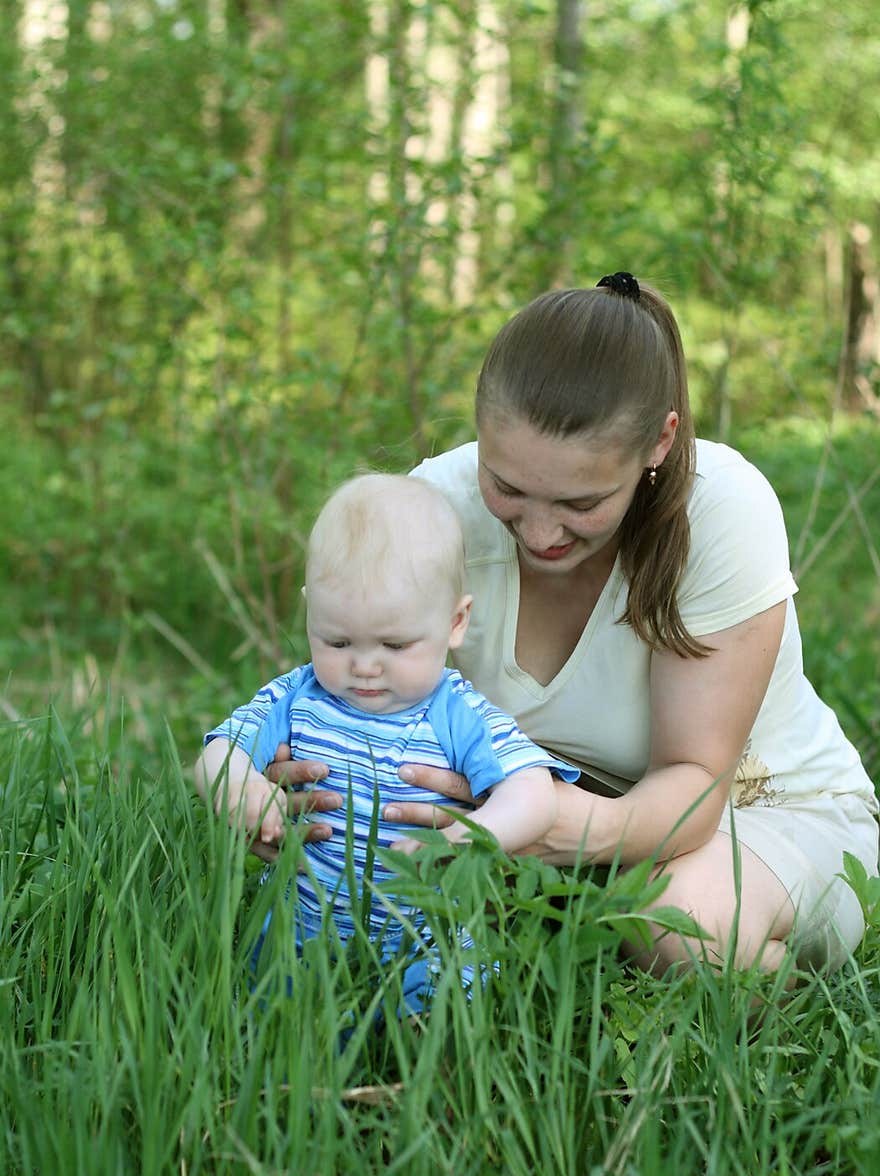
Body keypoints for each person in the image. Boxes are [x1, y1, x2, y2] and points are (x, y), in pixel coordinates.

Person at [266, 273, 879, 981]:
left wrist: (540, 822)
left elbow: (694, 787)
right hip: (531, 814)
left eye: (580, 500)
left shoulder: (721, 513)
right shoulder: (433, 511)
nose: (538, 529)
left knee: (671, 925)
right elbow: (360, 694)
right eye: (507, 486)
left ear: (659, 440)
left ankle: (787, 1022)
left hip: (753, 810)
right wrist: (313, 781)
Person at [194, 471, 579, 1016]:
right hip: (303, 927)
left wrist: (468, 839)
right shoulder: (296, 696)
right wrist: (238, 786)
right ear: (310, 611)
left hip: (427, 931)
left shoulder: (459, 714)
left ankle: (435, 1058)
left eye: (396, 644)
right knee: (267, 1004)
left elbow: (533, 796)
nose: (365, 664)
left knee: (450, 999)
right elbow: (218, 752)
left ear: (455, 622)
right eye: (338, 640)